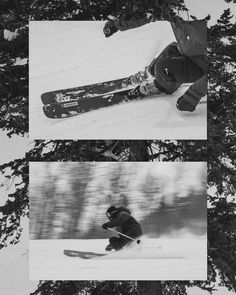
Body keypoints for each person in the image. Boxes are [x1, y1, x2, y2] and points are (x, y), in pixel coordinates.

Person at [103, 19, 207, 112]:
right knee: (171, 49)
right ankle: (150, 73)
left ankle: (160, 86)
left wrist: (193, 95)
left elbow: (220, 70)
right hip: (190, 51)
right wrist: (117, 23)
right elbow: (147, 13)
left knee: (162, 66)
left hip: (202, 67)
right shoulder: (177, 7)